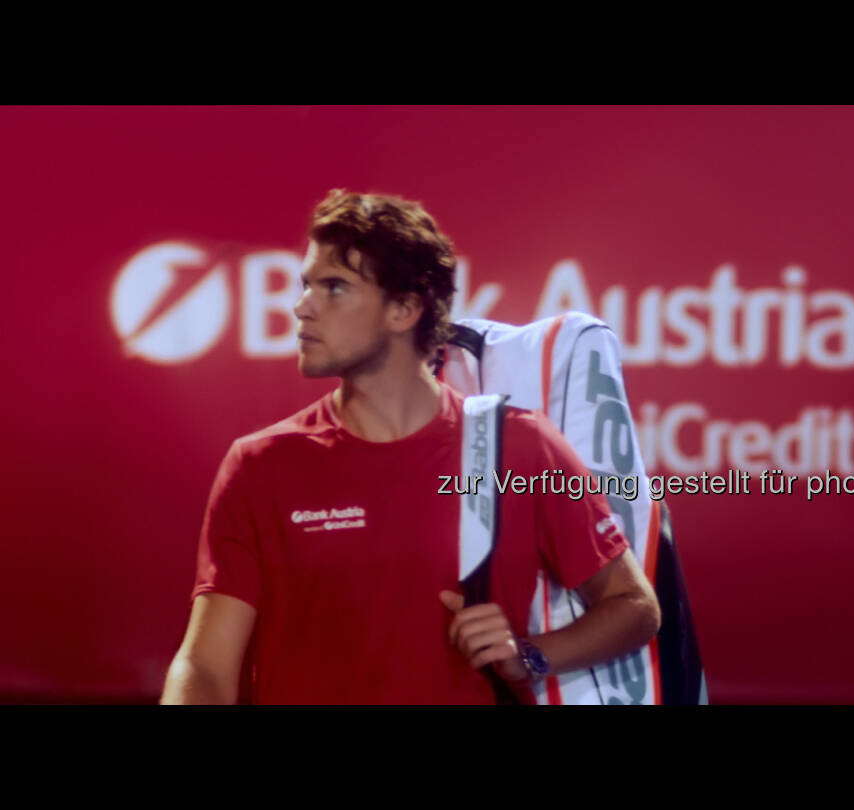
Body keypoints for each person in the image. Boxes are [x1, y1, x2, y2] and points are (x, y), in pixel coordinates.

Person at [160, 189, 661, 704]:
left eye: (334, 287)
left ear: (404, 309)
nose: (301, 307)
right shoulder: (259, 465)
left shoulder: (522, 446)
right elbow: (205, 666)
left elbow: (633, 606)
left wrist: (531, 654)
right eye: (306, 284)